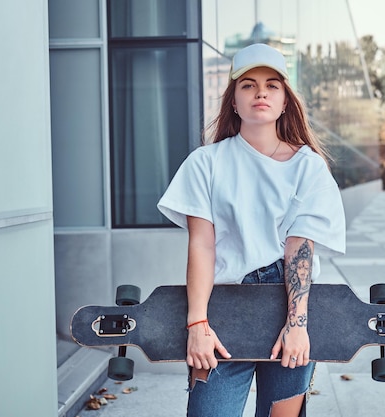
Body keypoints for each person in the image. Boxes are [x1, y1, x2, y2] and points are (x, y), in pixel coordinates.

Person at [157, 43, 346, 417]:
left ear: (285, 101)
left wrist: (297, 324)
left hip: (290, 303)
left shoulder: (309, 168)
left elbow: (299, 249)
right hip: (224, 308)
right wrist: (197, 322)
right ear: (233, 102)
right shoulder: (205, 163)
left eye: (272, 85)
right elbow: (202, 246)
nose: (261, 92)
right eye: (248, 85)